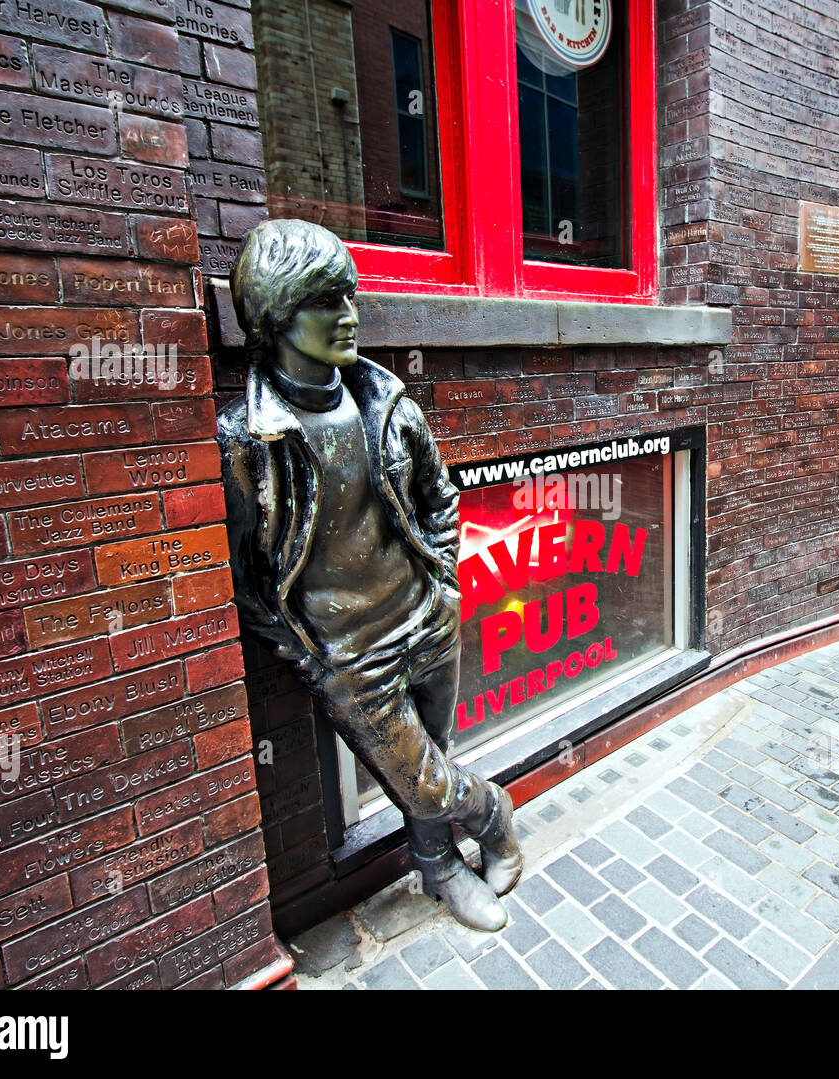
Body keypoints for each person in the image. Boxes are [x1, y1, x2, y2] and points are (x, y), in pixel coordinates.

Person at [217, 219, 522, 932]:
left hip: (425, 615)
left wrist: (444, 583)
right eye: (329, 301)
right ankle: (494, 815)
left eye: (351, 295)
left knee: (429, 763)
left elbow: (439, 498)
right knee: (424, 776)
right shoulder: (245, 442)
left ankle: (440, 870)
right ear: (277, 315)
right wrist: (307, 651)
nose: (351, 314)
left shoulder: (387, 405)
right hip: (350, 653)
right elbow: (246, 578)